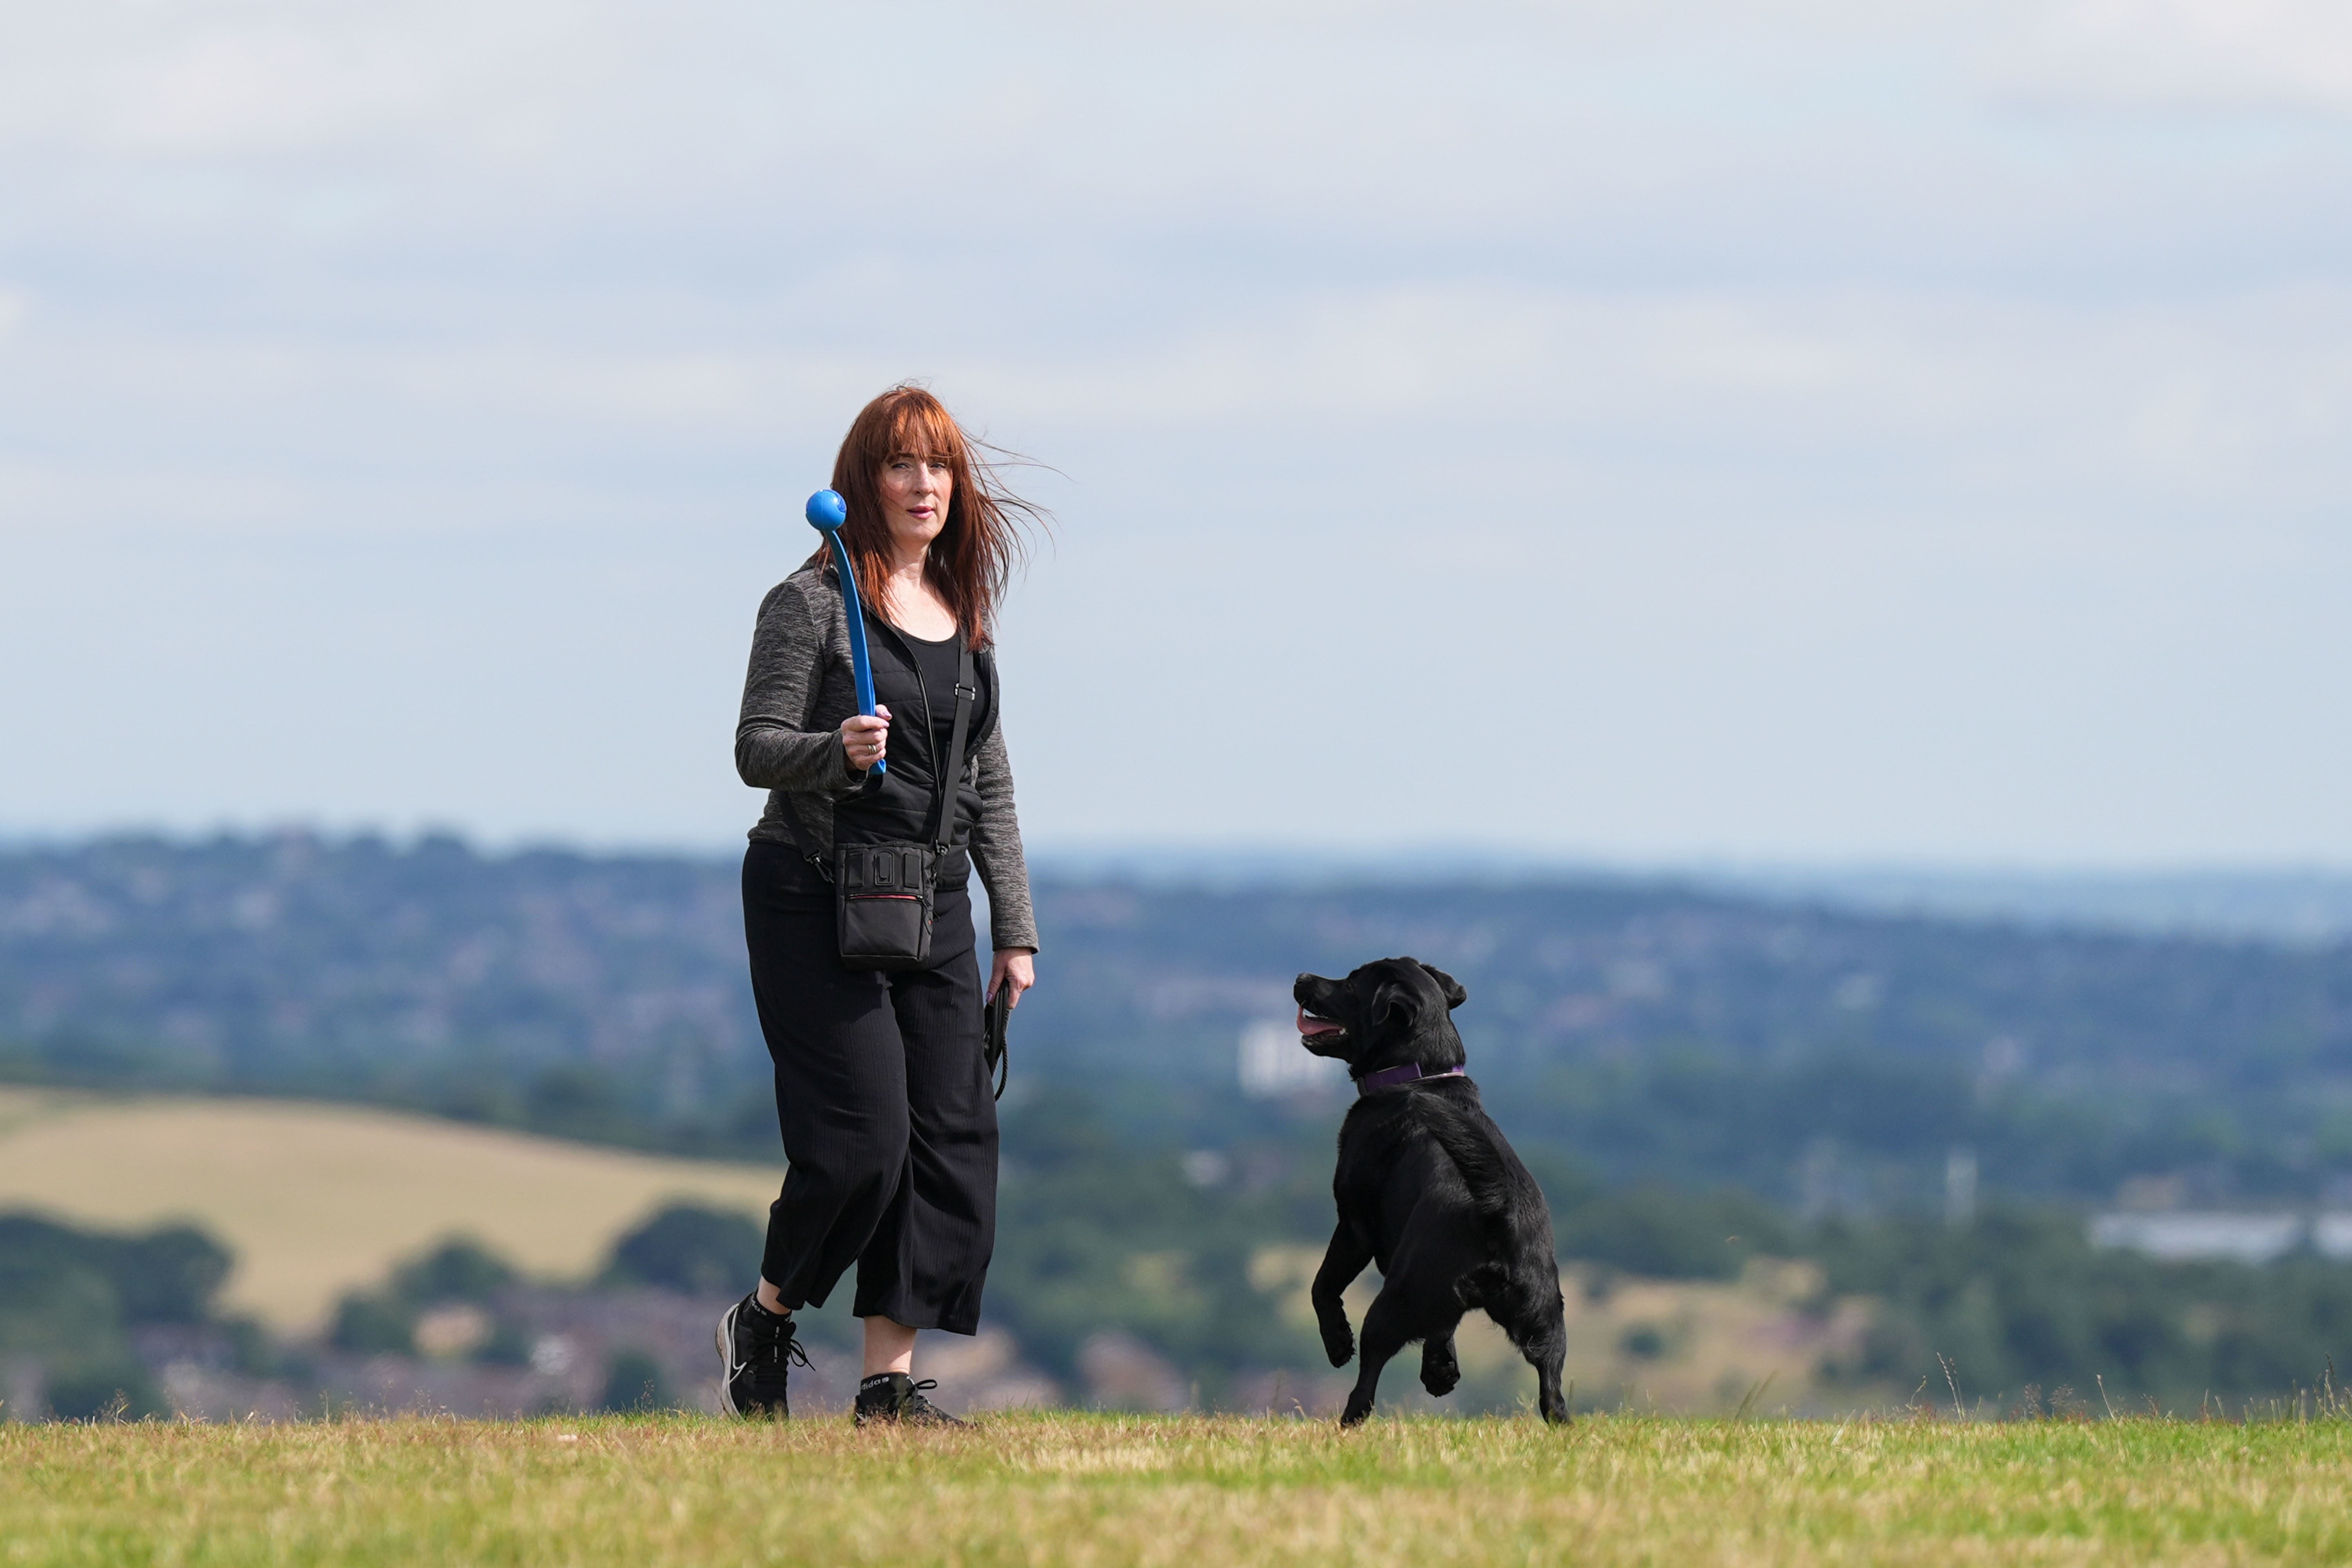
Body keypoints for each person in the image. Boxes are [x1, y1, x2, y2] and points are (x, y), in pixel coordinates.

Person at [719, 385, 1040, 1426]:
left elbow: (988, 784)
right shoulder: (808, 604)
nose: (925, 484)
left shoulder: (965, 616)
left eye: (939, 466)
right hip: (814, 896)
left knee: (951, 1142)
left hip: (933, 907)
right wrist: (834, 753)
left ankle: (886, 1390)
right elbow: (754, 748)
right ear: (861, 483)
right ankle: (764, 1316)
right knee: (863, 1147)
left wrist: (1015, 932)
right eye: (902, 465)